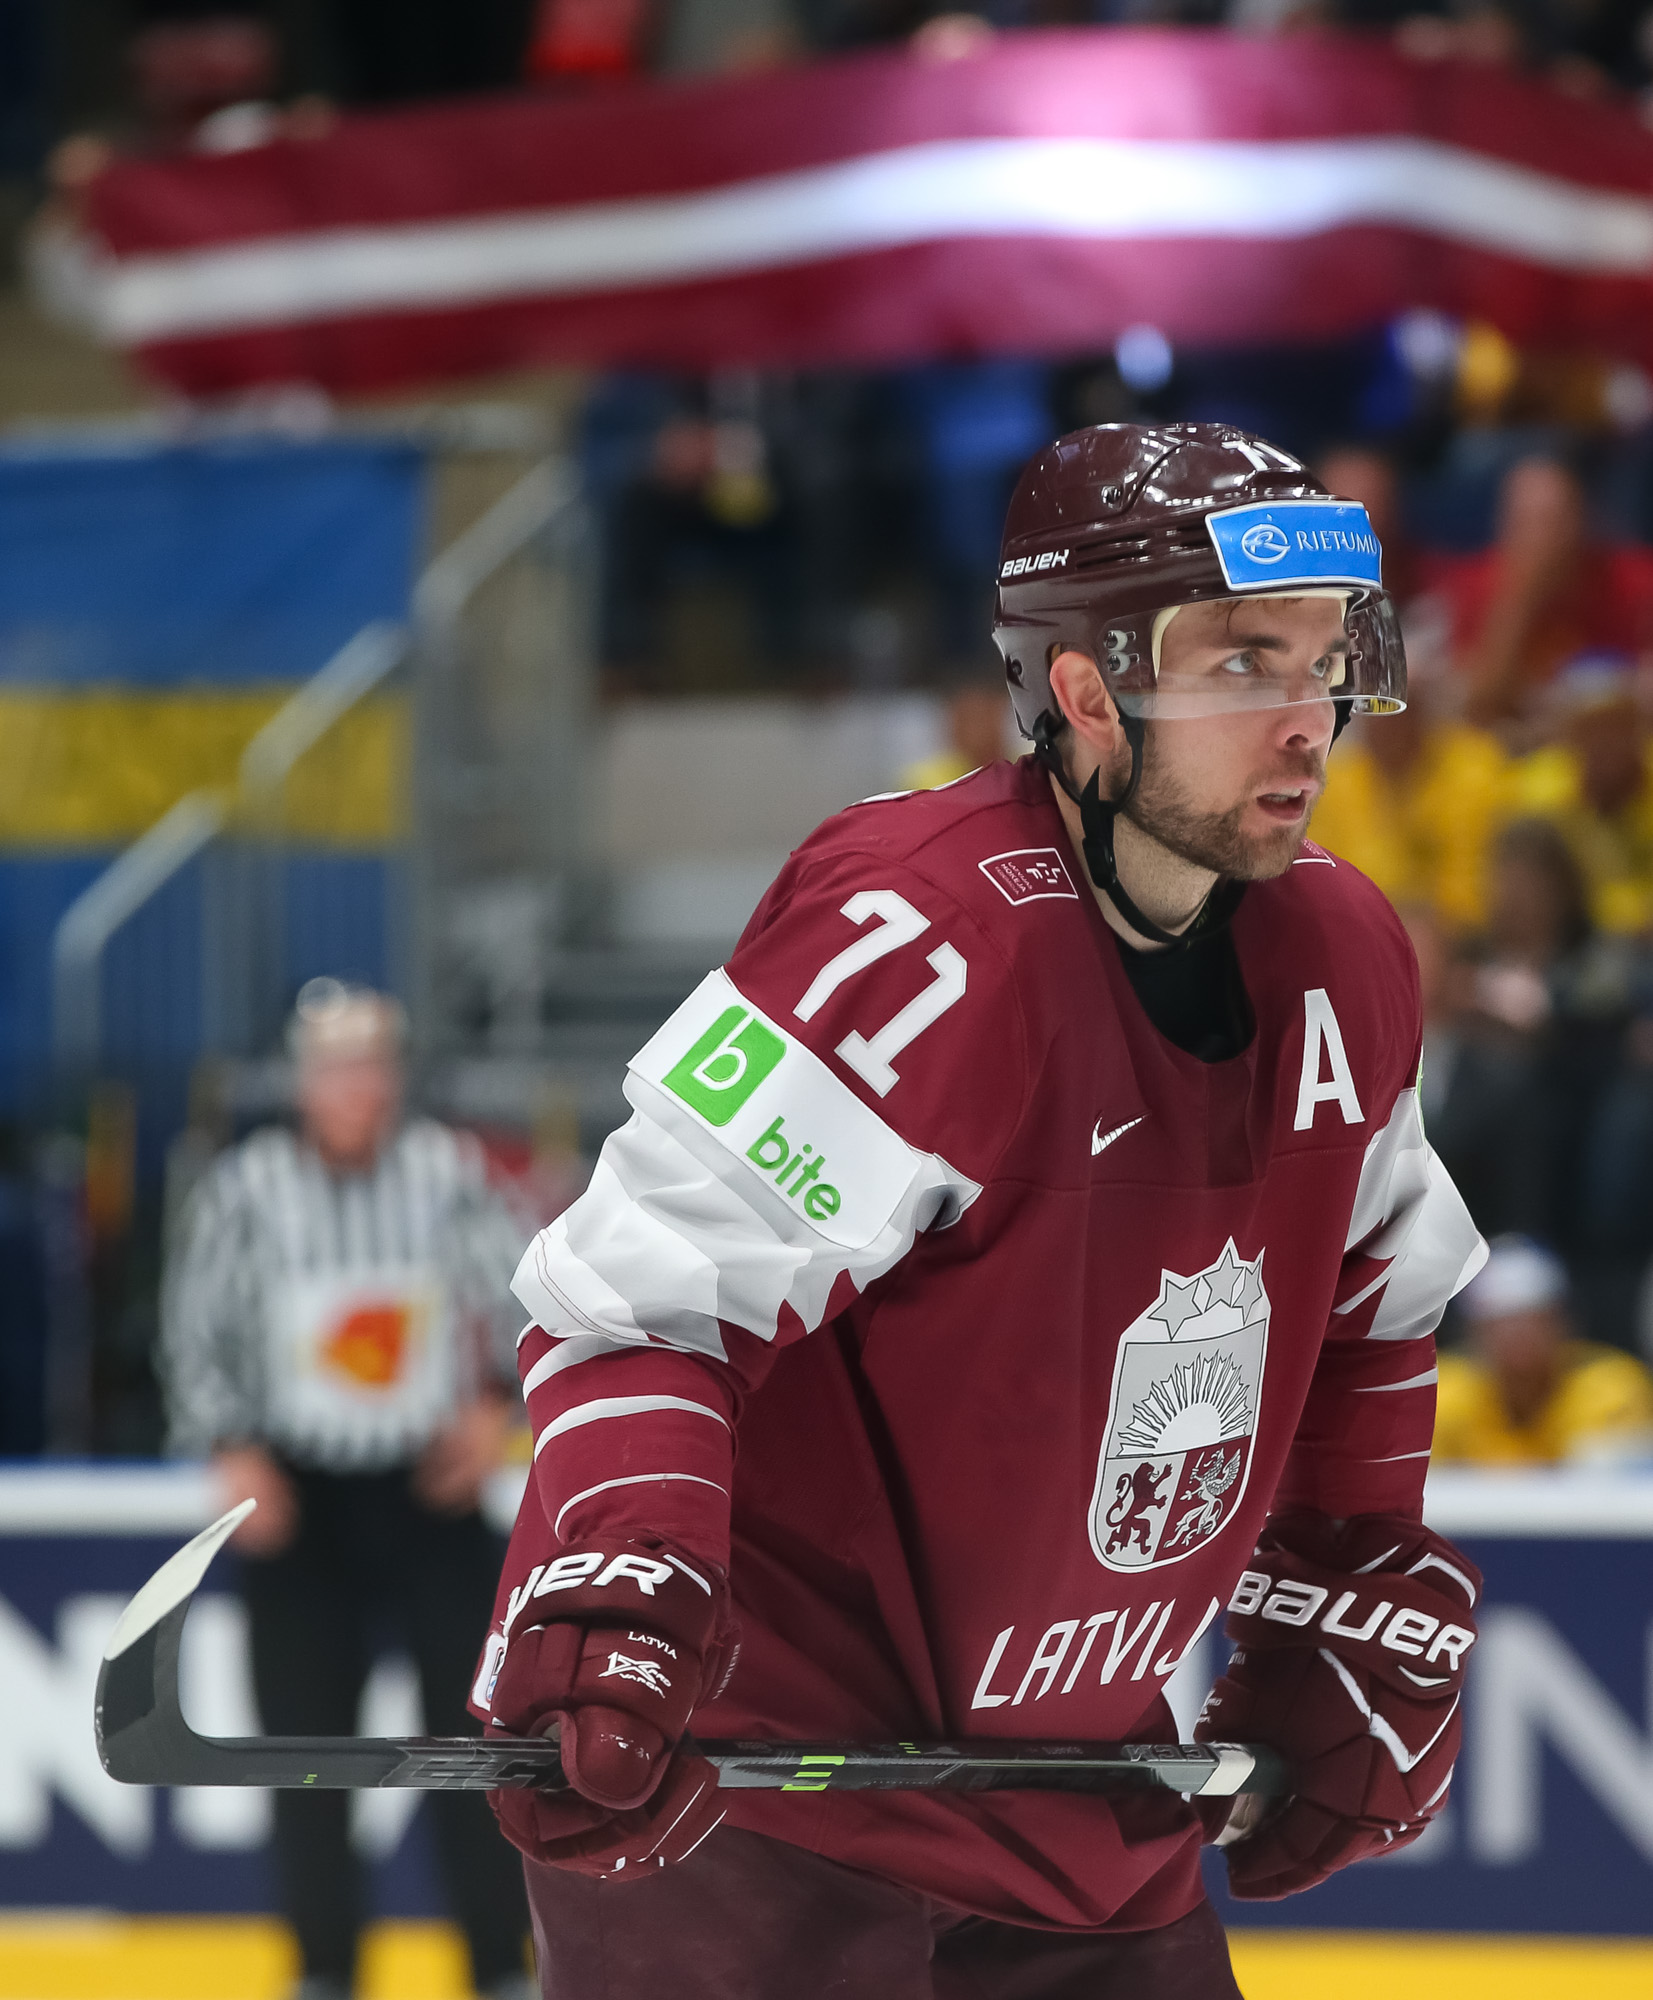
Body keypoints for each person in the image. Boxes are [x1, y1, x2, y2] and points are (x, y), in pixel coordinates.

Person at [473, 423, 1488, 1998]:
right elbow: (643, 1305)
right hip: (750, 1811)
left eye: (1323, 661)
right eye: (1241, 668)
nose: (1310, 724)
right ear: (1085, 693)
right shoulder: (917, 944)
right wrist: (621, 1582)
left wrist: (1343, 1585)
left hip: (1089, 1806)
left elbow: (1374, 1299)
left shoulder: (1346, 959)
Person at [159, 981, 531, 2000]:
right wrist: (229, 1445)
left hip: (428, 1492)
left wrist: (493, 1405)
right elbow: (195, 1330)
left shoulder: (446, 1173)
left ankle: (499, 1962)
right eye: (336, 1065)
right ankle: (323, 1965)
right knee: (304, 1749)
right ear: (303, 1077)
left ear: (396, 1074)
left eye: (373, 1063)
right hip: (302, 1497)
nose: (355, 1086)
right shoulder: (246, 1187)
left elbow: (525, 1296)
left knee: (472, 1748)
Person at [1433, 1236, 1653, 1464]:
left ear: (1564, 1322)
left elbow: (1614, 1488)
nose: (1518, 1335)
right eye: (1501, 1324)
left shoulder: (1613, 1389)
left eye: (1533, 1320)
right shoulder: (1440, 1394)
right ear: (1473, 1331)